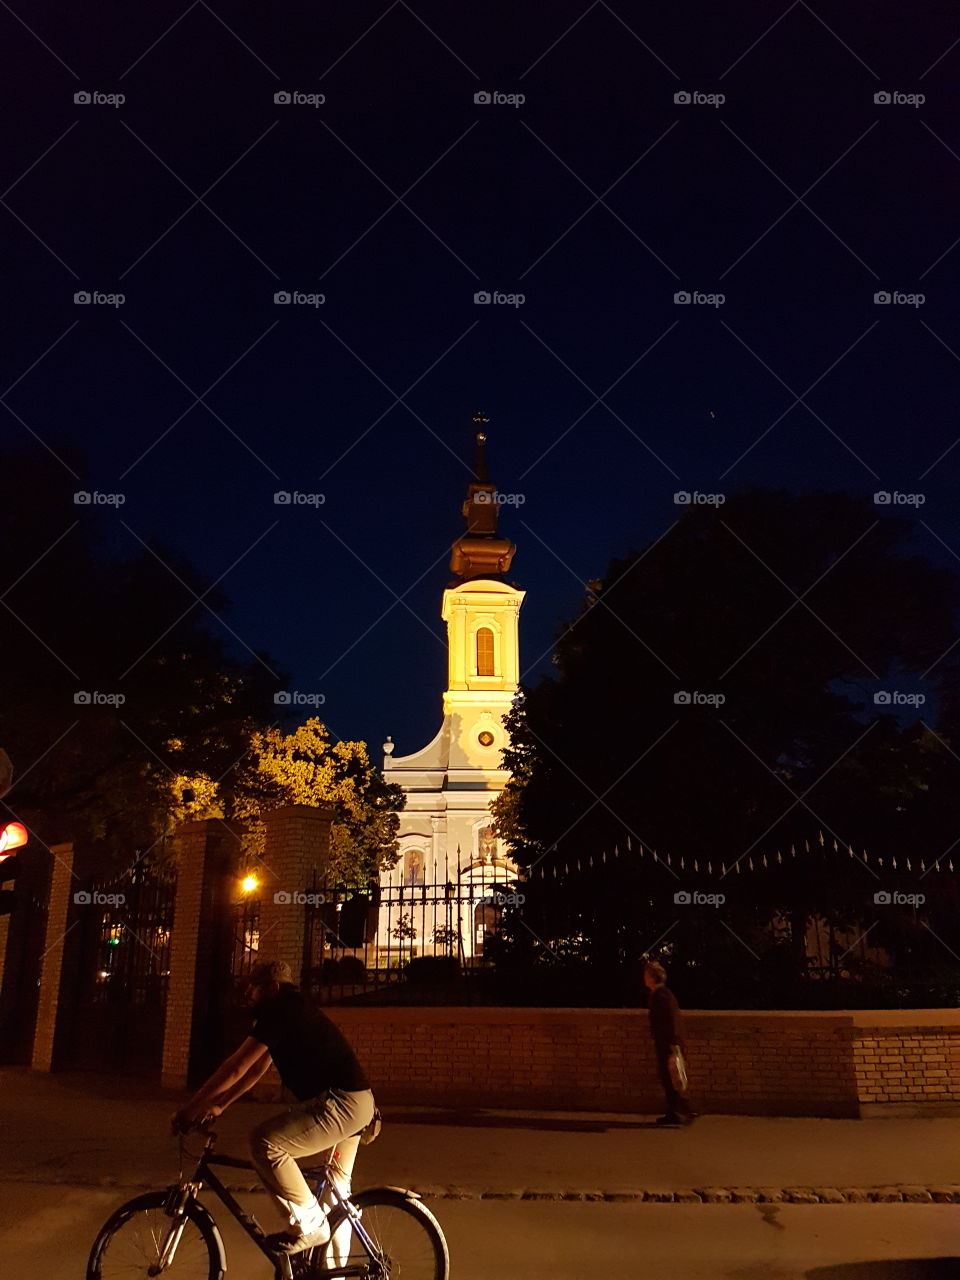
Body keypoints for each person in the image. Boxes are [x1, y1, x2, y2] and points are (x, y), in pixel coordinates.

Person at [172, 959, 376, 1254]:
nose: (249, 994)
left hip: (340, 1103)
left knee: (266, 1143)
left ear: (272, 988)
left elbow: (236, 1066)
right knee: (334, 1196)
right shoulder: (291, 1009)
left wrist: (190, 1109)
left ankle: (308, 1225)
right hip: (355, 1104)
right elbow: (255, 1070)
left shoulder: (280, 1009)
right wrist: (220, 1105)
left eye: (253, 987)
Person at [643, 960, 695, 1127]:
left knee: (671, 1077)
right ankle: (678, 1111)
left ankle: (681, 1111)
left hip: (667, 1044)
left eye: (646, 975)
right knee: (672, 1077)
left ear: (652, 978)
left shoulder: (661, 996)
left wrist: (672, 1043)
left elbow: (670, 1021)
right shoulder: (663, 994)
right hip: (669, 1043)